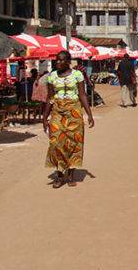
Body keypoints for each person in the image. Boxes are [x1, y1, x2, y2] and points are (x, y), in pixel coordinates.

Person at [42, 51, 95, 188]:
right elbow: (50, 97)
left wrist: (89, 114)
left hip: (74, 111)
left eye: (61, 60)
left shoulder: (77, 75)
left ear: (68, 61)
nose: (58, 63)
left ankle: (70, 175)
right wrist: (44, 117)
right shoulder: (51, 76)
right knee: (56, 142)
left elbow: (82, 95)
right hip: (57, 112)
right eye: (56, 60)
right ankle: (59, 175)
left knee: (74, 141)